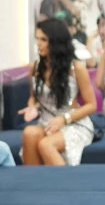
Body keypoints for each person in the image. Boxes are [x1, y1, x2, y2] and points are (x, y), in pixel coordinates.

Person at [19, 18, 97, 166]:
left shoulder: (76, 68)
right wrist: (32, 107)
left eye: (43, 40)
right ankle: (32, 179)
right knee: (29, 133)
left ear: (56, 42)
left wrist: (64, 119)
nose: (38, 44)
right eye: (37, 39)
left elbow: (91, 105)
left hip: (73, 123)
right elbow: (33, 97)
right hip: (47, 122)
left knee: (46, 144)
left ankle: (64, 181)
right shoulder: (34, 67)